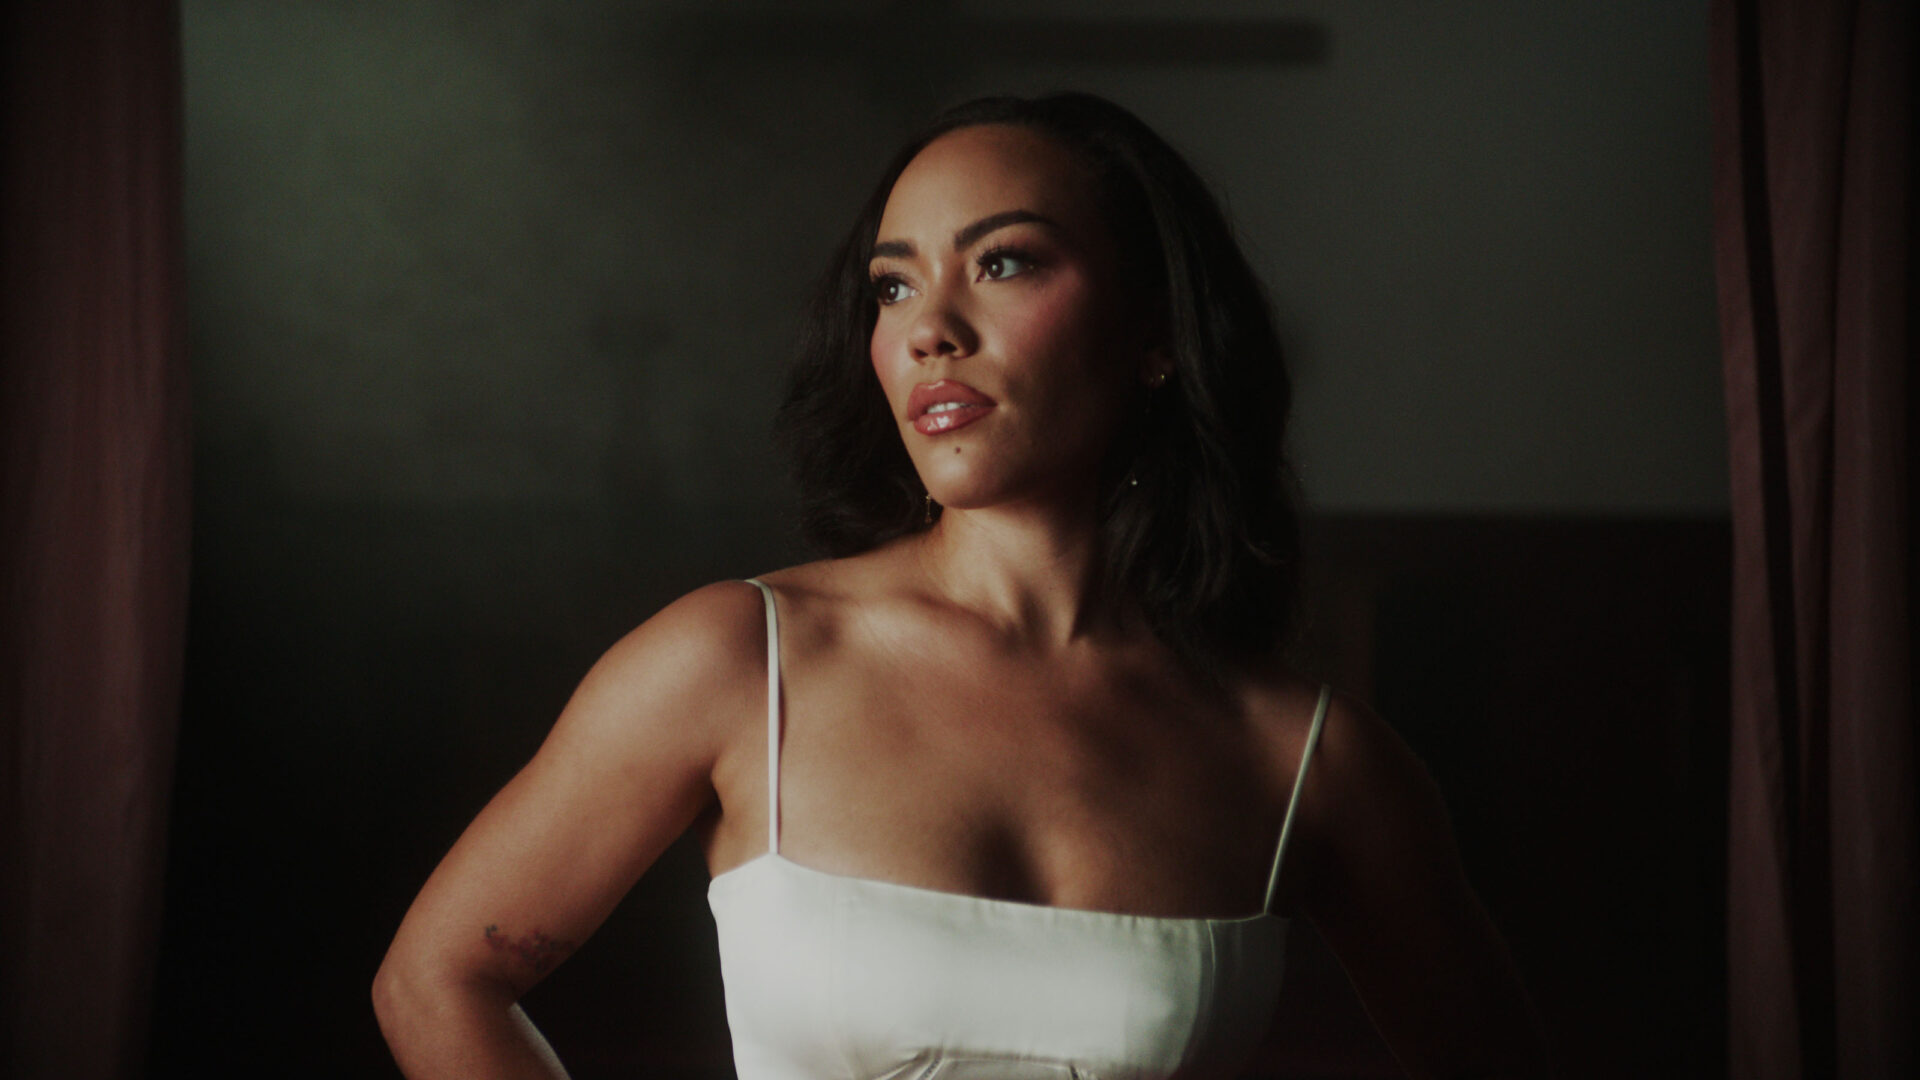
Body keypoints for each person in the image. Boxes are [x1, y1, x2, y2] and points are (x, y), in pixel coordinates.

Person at [372, 92, 1552, 1079]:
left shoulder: (1302, 759)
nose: (932, 327)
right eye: (892, 288)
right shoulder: (740, 658)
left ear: (1156, 332)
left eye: (1004, 263)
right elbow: (439, 980)